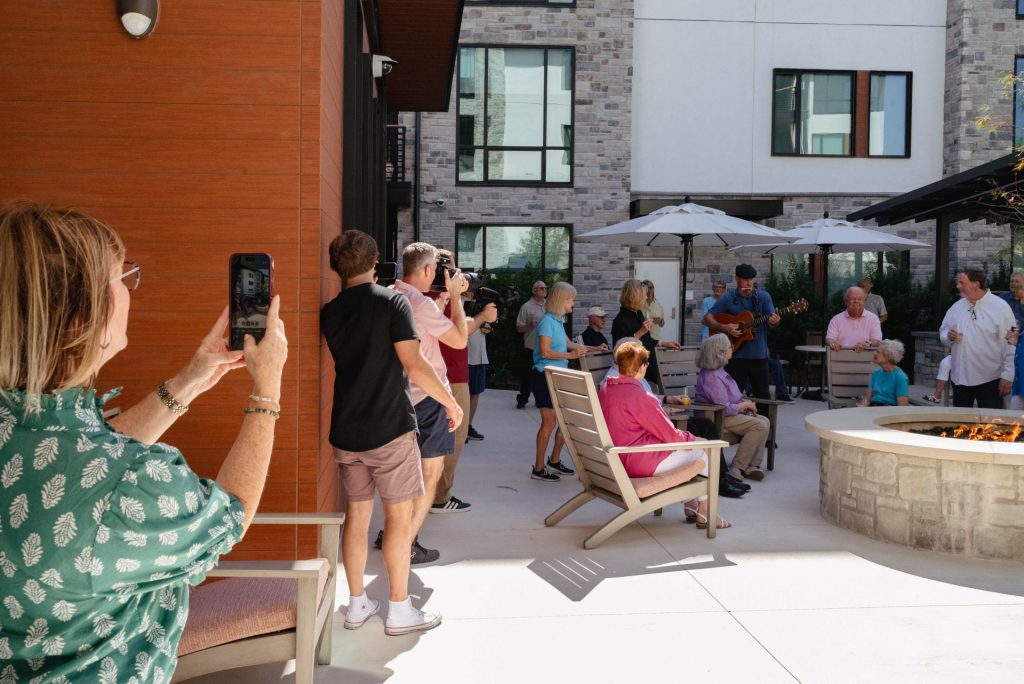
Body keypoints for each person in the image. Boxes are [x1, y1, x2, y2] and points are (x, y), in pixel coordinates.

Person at [0, 202, 288, 680]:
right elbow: (230, 514)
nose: (132, 289)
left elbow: (85, 469)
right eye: (123, 277)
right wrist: (267, 390)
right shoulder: (136, 481)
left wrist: (193, 378)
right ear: (80, 318)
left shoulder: (33, 435)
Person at [322, 230, 449, 636]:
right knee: (398, 518)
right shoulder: (392, 301)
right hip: (390, 427)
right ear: (375, 262)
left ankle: (357, 604)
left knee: (357, 518)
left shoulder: (331, 311)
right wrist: (450, 400)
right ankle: (399, 609)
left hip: (347, 429)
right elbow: (414, 364)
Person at [599, 342, 730, 529]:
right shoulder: (639, 396)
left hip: (618, 456)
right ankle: (705, 512)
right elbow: (670, 435)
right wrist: (694, 439)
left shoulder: (607, 389)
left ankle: (692, 505)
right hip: (637, 461)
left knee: (694, 448)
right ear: (642, 366)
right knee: (707, 450)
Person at [390, 243, 466, 562]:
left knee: (406, 478)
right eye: (435, 269)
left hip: (400, 399)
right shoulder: (421, 304)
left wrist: (443, 300)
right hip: (430, 399)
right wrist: (457, 299)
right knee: (429, 475)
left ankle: (393, 534)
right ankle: (404, 546)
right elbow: (460, 340)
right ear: (426, 271)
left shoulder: (392, 294)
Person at [426, 249, 497, 514]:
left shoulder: (426, 295)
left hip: (440, 374)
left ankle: (433, 495)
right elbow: (456, 331)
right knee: (455, 436)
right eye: (452, 268)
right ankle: (440, 498)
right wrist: (482, 318)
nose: (458, 275)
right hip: (451, 376)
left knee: (437, 437)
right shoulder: (437, 297)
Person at [532, 282, 603, 481]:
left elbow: (570, 344)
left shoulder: (557, 320)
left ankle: (553, 461)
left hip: (558, 376)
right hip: (544, 376)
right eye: (571, 299)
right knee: (549, 423)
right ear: (562, 300)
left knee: (564, 422)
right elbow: (545, 352)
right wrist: (571, 356)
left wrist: (593, 348)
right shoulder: (546, 321)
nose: (573, 303)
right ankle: (538, 468)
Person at [702, 264, 780, 412]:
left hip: (759, 355)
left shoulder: (763, 297)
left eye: (751, 280)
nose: (749, 283)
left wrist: (775, 322)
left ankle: (766, 427)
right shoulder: (728, 298)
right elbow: (707, 319)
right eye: (745, 280)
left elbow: (772, 321)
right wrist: (725, 328)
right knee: (733, 394)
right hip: (736, 355)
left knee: (763, 395)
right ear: (737, 279)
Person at [695, 334, 771, 482]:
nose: (732, 348)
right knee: (759, 425)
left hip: (728, 416)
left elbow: (733, 398)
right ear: (721, 352)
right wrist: (746, 405)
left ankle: (752, 466)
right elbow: (724, 407)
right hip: (715, 417)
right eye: (730, 346)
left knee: (765, 421)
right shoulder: (712, 377)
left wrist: (745, 403)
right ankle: (737, 467)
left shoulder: (720, 372)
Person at [939, 268, 1016, 409]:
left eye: (962, 283)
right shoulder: (956, 307)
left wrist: (1008, 375)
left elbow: (1010, 343)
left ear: (975, 284)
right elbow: (943, 332)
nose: (957, 286)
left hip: (989, 379)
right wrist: (948, 336)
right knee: (960, 427)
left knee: (990, 427)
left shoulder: (1000, 307)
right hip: (959, 379)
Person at [515, 280, 548, 409]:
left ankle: (541, 400)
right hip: (531, 347)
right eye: (541, 288)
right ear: (534, 291)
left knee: (544, 376)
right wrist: (529, 326)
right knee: (528, 376)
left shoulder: (549, 305)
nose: (544, 290)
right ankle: (523, 399)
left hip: (546, 347)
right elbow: (518, 327)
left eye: (545, 288)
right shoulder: (526, 307)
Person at [825, 286, 883, 351]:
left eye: (860, 299)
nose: (856, 301)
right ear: (846, 301)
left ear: (864, 301)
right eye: (852, 299)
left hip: (866, 359)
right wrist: (832, 343)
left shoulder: (873, 319)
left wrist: (868, 344)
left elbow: (877, 341)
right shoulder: (836, 319)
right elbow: (829, 339)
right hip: (840, 358)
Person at [1000, 271, 1024, 410]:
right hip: (1007, 344)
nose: (1014, 285)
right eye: (1012, 282)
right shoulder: (1003, 299)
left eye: (1018, 282)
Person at [861, 339, 909, 407]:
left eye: (877, 351)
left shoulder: (900, 377)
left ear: (888, 357)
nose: (874, 353)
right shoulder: (876, 373)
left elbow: (902, 407)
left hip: (888, 411)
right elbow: (867, 401)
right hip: (872, 409)